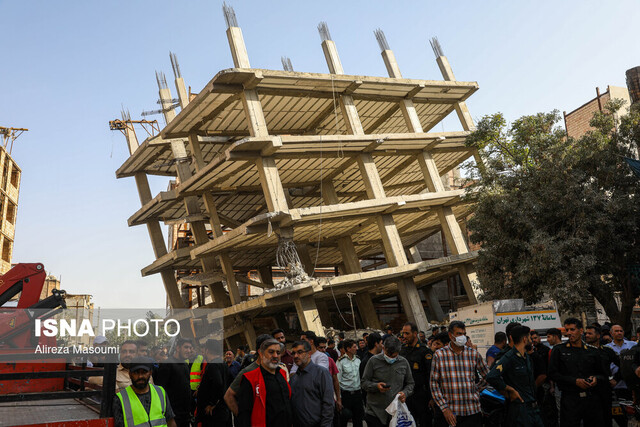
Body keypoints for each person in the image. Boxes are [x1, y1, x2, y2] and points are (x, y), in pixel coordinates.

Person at [548, 317, 607, 427]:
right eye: (567, 330)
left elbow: (603, 375)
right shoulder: (559, 350)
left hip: (591, 399)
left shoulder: (592, 351)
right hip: (570, 399)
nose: (569, 333)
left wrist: (596, 379)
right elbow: (553, 373)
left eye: (572, 329)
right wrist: (574, 381)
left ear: (580, 331)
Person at [430, 321, 489, 427]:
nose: (462, 337)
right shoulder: (439, 355)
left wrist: (476, 389)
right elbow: (434, 384)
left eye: (464, 334)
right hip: (451, 412)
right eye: (458, 334)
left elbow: (487, 375)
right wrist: (444, 408)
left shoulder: (473, 354)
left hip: (472, 411)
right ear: (450, 335)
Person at [486, 325, 544, 427]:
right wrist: (508, 390)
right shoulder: (509, 357)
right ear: (525, 339)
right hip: (520, 410)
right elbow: (491, 376)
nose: (531, 340)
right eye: (530, 337)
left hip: (534, 408)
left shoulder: (527, 358)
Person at [237, 338, 292, 427]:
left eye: (278, 353)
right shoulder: (249, 378)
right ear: (261, 353)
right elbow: (244, 414)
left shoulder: (282, 374)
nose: (275, 355)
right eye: (271, 352)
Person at [361, 336, 414, 427]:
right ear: (383, 348)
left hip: (395, 413)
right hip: (375, 412)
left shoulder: (404, 363)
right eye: (388, 354)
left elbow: (410, 383)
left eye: (393, 356)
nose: (390, 358)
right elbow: (364, 382)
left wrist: (404, 393)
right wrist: (376, 386)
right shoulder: (373, 361)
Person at [113, 356, 176, 427]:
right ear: (130, 374)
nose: (140, 376)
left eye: (144, 372)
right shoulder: (120, 398)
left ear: (150, 373)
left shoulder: (160, 392)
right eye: (136, 372)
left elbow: (170, 420)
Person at [224, 334, 273, 416]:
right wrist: (243, 418)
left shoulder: (276, 369)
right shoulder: (247, 372)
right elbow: (228, 396)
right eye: (270, 350)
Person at [290, 340, 334, 427]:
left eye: (299, 352)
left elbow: (328, 404)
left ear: (309, 353)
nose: (295, 356)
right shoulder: (294, 378)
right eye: (293, 353)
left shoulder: (321, 373)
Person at [154, 338, 195, 427]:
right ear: (178, 348)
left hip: (185, 416)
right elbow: (160, 391)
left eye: (190, 348)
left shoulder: (185, 365)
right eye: (186, 347)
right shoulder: (167, 364)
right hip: (173, 417)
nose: (189, 350)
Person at [400, 322, 433, 427]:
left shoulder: (424, 351)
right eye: (403, 334)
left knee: (424, 422)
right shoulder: (402, 350)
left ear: (415, 334)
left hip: (421, 395)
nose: (404, 336)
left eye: (407, 333)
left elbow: (430, 376)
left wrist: (431, 397)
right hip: (406, 395)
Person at [585, 324, 618, 427]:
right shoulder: (583, 351)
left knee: (607, 417)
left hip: (605, 390)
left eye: (590, 333)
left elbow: (622, 365)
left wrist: (616, 379)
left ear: (598, 335)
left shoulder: (607, 351)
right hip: (589, 391)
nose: (587, 335)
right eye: (586, 333)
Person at [196, 340, 232, 427]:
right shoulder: (223, 364)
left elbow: (218, 383)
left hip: (214, 413)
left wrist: (212, 403)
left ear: (207, 350)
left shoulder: (213, 365)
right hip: (223, 409)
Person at [337, 339, 364, 427]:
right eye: (354, 347)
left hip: (357, 395)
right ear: (348, 349)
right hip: (346, 396)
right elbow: (337, 381)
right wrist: (339, 399)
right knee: (344, 419)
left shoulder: (358, 360)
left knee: (358, 420)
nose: (357, 348)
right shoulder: (341, 362)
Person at [606, 324, 635, 400]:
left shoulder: (633, 345)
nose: (619, 333)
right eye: (616, 331)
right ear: (611, 333)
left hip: (633, 385)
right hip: (616, 385)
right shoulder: (607, 348)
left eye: (621, 331)